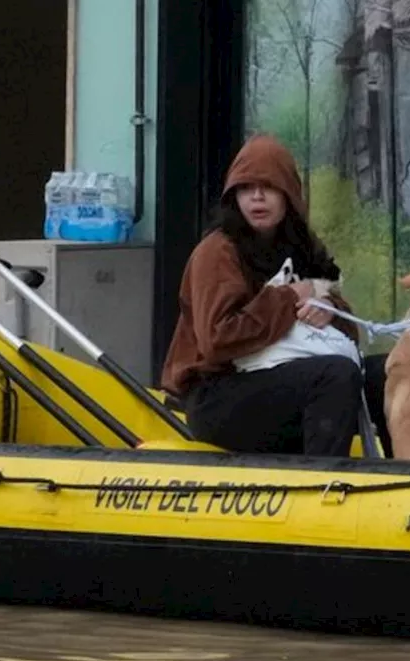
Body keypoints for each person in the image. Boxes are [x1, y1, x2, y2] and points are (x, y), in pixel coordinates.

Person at [160, 134, 394, 458]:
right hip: (219, 395)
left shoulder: (303, 246)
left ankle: (407, 474)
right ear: (234, 197)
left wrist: (328, 308)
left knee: (388, 370)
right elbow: (218, 339)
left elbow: (345, 334)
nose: (257, 198)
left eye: (268, 187)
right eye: (246, 188)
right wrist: (287, 298)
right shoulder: (216, 251)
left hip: (285, 377)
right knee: (335, 376)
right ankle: (321, 487)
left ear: (289, 196)